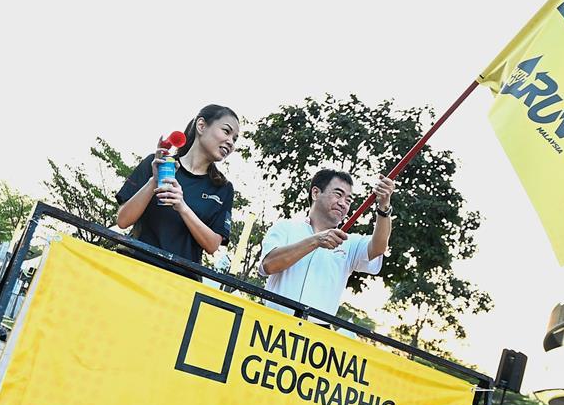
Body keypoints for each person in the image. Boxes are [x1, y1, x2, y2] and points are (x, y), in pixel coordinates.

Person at [116, 104, 238, 270]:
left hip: (180, 284)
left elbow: (212, 246)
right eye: (226, 131)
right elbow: (122, 221)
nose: (230, 142)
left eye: (235, 138)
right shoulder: (156, 163)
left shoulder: (223, 188)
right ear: (201, 126)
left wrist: (182, 207)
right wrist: (154, 180)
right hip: (133, 268)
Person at [259, 169, 394, 318]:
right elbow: (269, 265)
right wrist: (316, 241)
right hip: (268, 327)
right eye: (338, 194)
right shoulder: (285, 227)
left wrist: (384, 207)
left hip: (315, 336)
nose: (343, 204)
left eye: (348, 200)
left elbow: (379, 247)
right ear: (315, 193)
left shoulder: (349, 242)